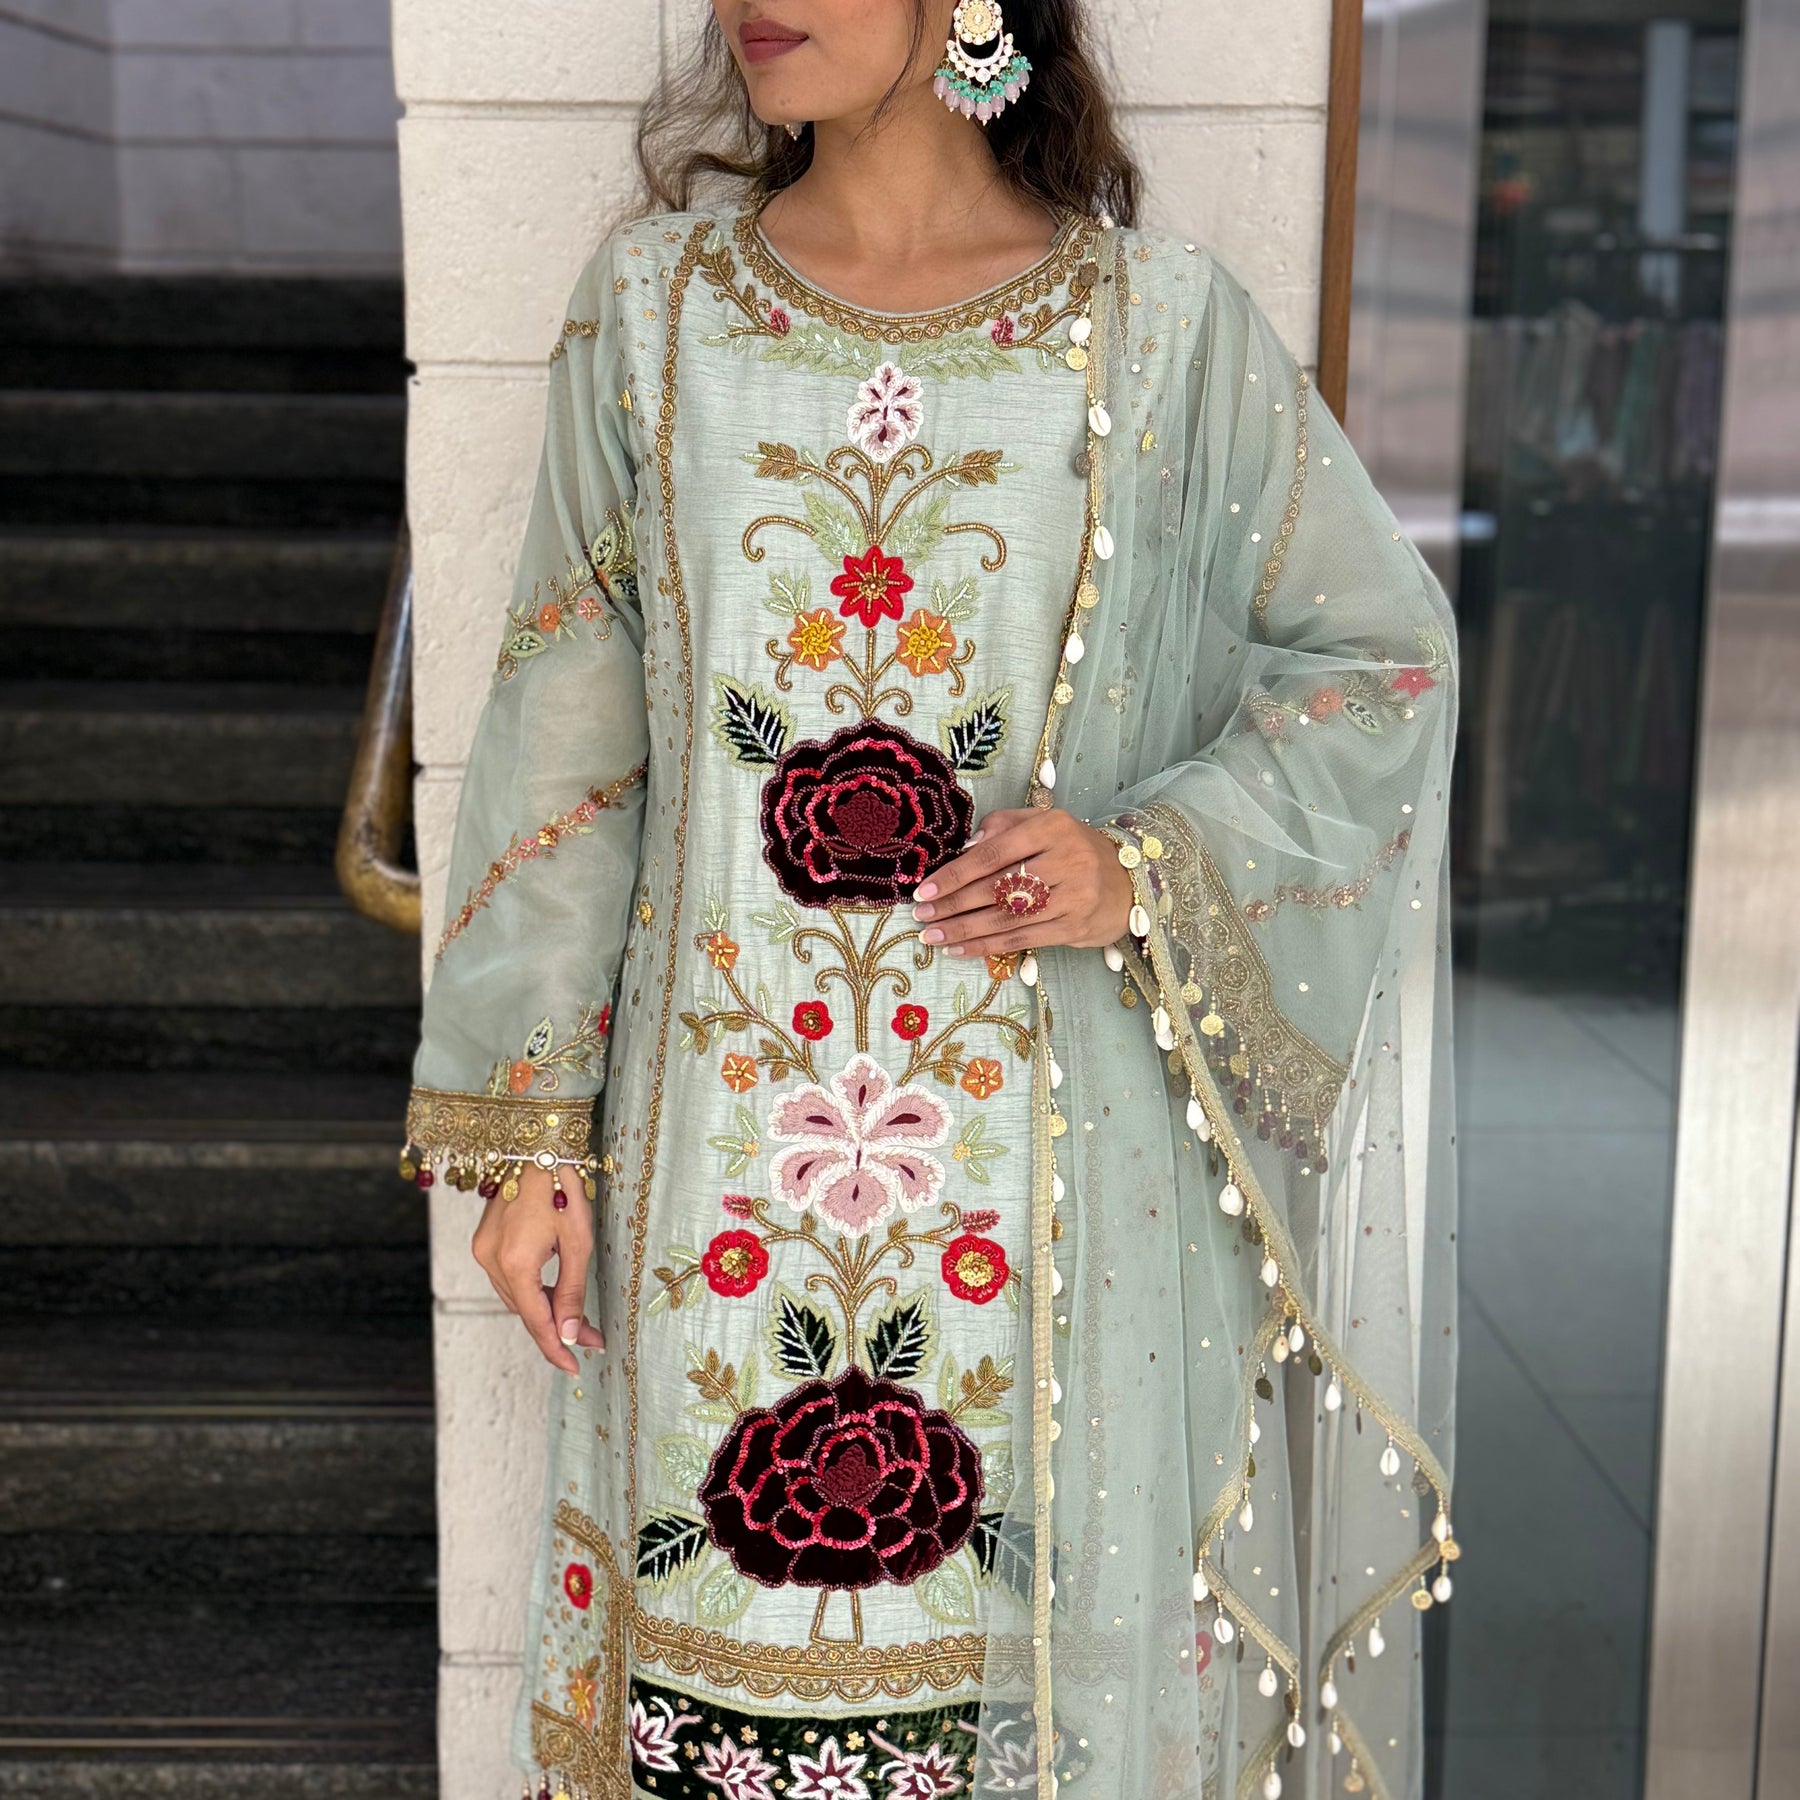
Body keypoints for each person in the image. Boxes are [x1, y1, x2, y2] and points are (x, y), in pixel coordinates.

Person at [400, 3, 1461, 1796]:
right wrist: (530, 1137)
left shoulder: (1157, 328)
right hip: (716, 1189)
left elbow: (1382, 663)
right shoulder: (655, 314)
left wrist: (1145, 861)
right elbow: (566, 748)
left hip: (1045, 1202)